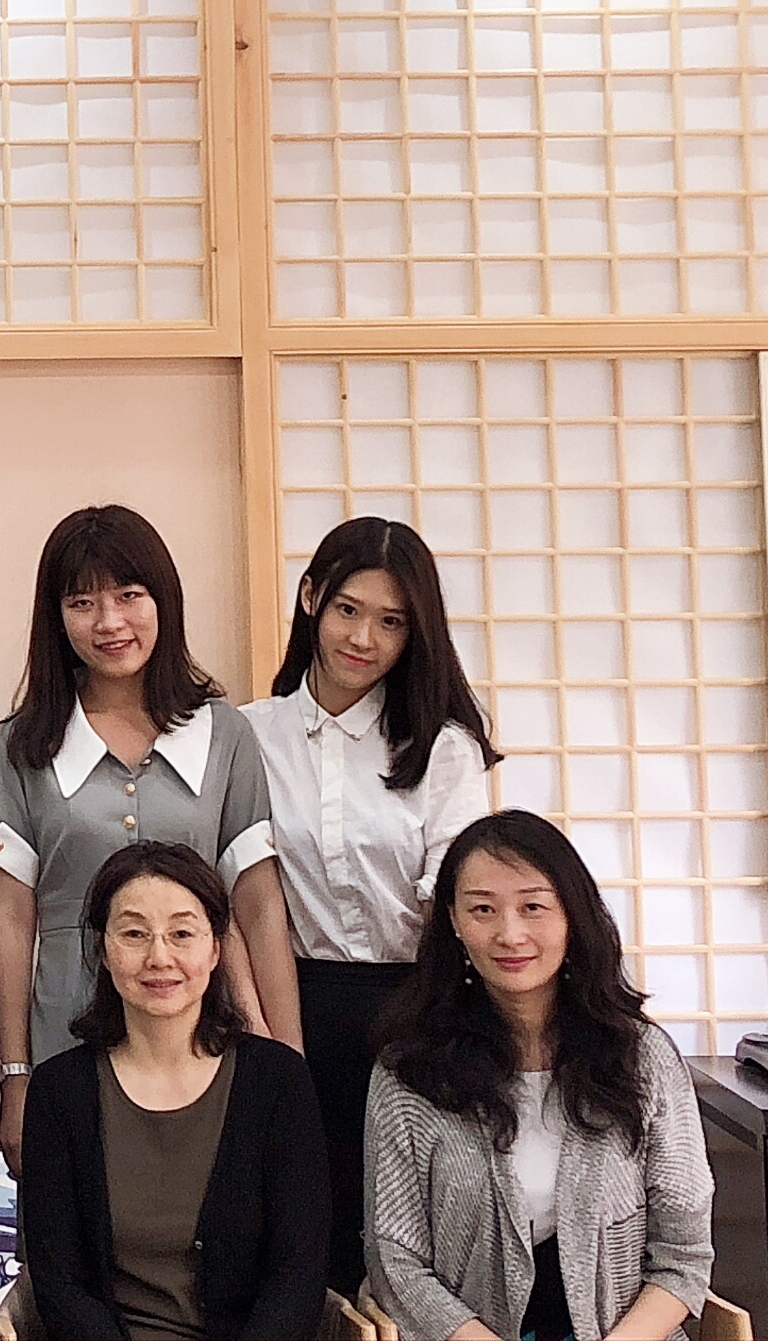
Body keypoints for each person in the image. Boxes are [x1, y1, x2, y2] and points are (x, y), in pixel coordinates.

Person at [0, 506, 297, 1179]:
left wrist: (288, 1060)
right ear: (55, 617)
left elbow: (259, 905)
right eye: (82, 602)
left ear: (164, 601)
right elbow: (8, 918)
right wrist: (14, 1075)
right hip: (68, 1022)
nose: (109, 622)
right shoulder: (23, 745)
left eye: (128, 595)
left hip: (205, 1022)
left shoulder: (224, 734)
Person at [240, 516, 499, 1296]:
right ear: (311, 599)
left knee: (410, 1237)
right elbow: (235, 894)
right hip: (292, 1002)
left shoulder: (442, 746)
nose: (364, 639)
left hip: (417, 1004)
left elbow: (457, 894)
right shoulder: (249, 735)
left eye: (392, 622)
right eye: (349, 610)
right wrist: (263, 1031)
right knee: (301, 1230)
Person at [364, 812, 713, 1341]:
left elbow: (683, 1258)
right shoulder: (409, 1072)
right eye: (483, 909)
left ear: (572, 915)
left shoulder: (642, 1058)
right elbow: (395, 1263)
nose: (510, 934)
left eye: (533, 907)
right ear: (454, 922)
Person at [15, 843, 327, 1341]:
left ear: (216, 948)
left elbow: (299, 1275)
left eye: (182, 934)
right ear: (104, 950)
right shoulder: (59, 1091)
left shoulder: (277, 1081)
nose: (159, 957)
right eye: (134, 934)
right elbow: (59, 1284)